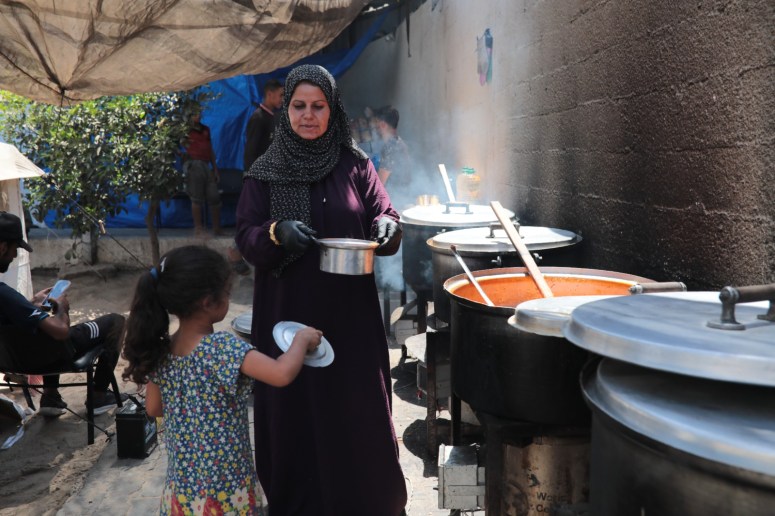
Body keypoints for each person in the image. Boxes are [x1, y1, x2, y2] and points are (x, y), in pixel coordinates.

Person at [235, 64, 407, 515]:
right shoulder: (264, 172)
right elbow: (246, 237)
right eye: (299, 106)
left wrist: (388, 226)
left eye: (318, 106)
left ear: (333, 110)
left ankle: (366, 502)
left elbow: (383, 211)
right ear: (286, 109)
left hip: (349, 315)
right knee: (296, 410)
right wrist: (276, 232)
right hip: (286, 312)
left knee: (356, 405)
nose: (308, 115)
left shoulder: (357, 165)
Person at [121, 245, 322, 516]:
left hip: (183, 493)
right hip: (226, 494)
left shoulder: (162, 350)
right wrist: (301, 339)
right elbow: (281, 373)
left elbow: (154, 408)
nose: (228, 298)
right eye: (227, 293)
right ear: (208, 302)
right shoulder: (221, 348)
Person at [0, 211, 126, 417]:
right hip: (51, 353)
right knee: (116, 321)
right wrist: (61, 307)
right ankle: (98, 396)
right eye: (15, 249)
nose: (15, 256)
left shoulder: (8, 298)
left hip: (12, 359)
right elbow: (61, 332)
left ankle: (50, 396)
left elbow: (11, 316)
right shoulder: (4, 293)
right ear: (3, 247)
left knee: (42, 326)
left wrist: (31, 304)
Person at [228, 79, 285, 276]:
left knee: (265, 217)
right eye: (280, 95)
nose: (282, 99)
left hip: (270, 177)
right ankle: (235, 252)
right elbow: (250, 152)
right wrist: (253, 179)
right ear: (269, 94)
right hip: (258, 179)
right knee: (253, 217)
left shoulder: (273, 117)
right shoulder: (258, 118)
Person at [182, 110, 222, 237]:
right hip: (194, 164)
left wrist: (215, 168)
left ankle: (217, 229)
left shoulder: (205, 129)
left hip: (206, 165)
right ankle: (198, 229)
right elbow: (176, 145)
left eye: (199, 113)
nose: (198, 116)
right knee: (196, 198)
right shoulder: (185, 130)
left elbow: (210, 149)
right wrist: (184, 157)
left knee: (214, 196)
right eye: (195, 114)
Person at [375, 106, 413, 211]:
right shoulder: (398, 142)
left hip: (395, 205)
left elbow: (379, 184)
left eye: (376, 123)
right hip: (401, 200)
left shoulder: (391, 147)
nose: (374, 127)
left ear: (382, 125)